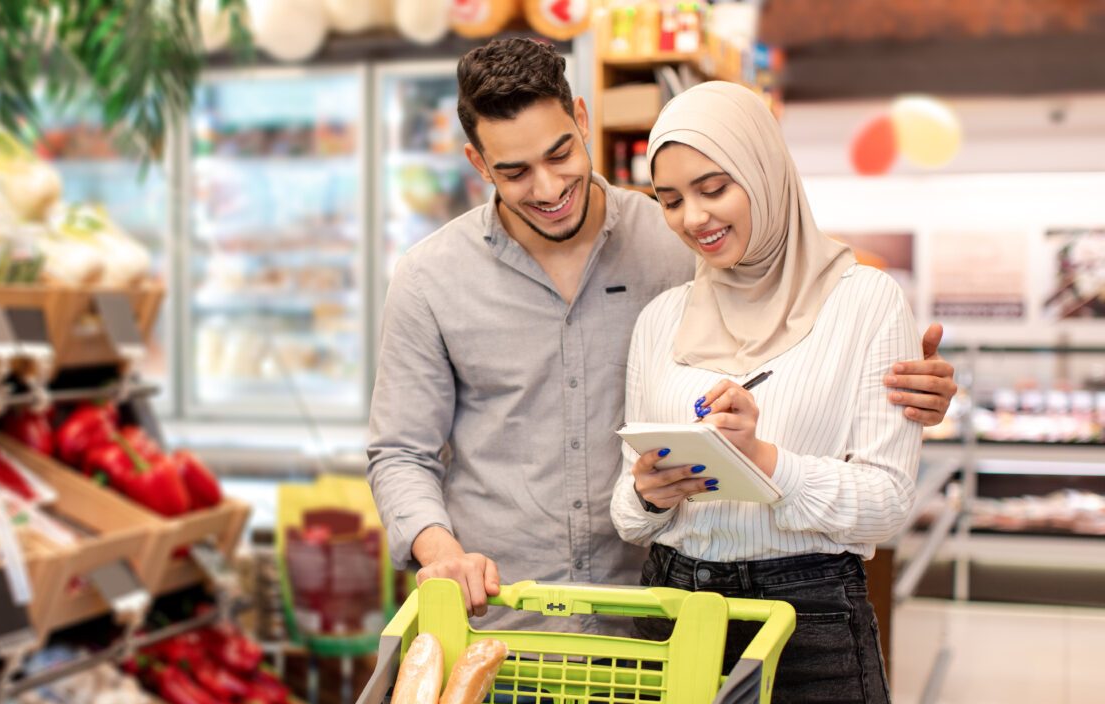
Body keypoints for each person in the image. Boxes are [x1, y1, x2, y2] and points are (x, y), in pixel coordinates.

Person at [367, 38, 956, 627]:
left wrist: (901, 386)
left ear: (582, 119)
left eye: (560, 153)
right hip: (501, 612)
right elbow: (400, 451)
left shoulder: (680, 243)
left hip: (652, 616)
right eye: (515, 172)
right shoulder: (429, 278)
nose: (547, 188)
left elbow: (785, 316)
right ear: (478, 164)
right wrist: (441, 553)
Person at [612, 81, 920, 704]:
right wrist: (649, 493)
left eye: (714, 187)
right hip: (673, 615)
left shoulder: (867, 305)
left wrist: (765, 462)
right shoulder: (660, 321)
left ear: (764, 169)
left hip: (808, 630)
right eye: (670, 199)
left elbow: (887, 502)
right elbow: (626, 511)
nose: (694, 217)